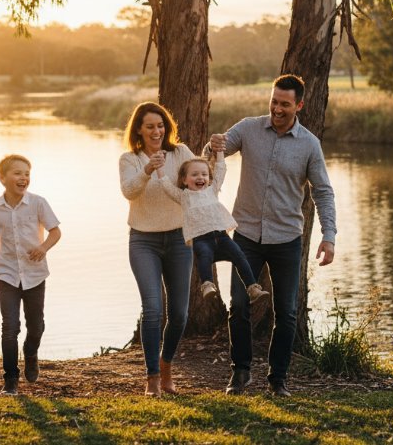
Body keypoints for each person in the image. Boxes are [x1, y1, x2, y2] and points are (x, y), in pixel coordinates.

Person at [208, 74, 337, 397]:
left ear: (299, 105)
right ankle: (240, 372)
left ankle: (278, 379)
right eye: (274, 101)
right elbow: (216, 153)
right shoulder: (249, 129)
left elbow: (323, 192)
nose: (277, 109)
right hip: (247, 236)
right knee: (239, 305)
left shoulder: (309, 144)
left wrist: (329, 234)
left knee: (287, 312)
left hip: (286, 240)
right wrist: (213, 147)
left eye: (285, 104)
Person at [0, 154, 62, 396]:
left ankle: (31, 354)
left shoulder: (38, 203)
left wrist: (43, 248)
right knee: (9, 327)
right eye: (18, 173)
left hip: (35, 274)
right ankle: (10, 380)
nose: (24, 178)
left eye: (27, 174)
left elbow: (55, 232)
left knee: (36, 326)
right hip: (7, 272)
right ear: (3, 178)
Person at [119, 101, 195, 396]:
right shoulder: (130, 159)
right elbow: (129, 191)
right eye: (149, 126)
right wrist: (148, 170)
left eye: (161, 125)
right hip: (143, 241)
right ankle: (152, 378)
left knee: (179, 314)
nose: (156, 131)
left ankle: (166, 367)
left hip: (179, 239)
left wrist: (214, 158)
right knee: (152, 309)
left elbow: (200, 182)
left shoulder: (181, 153)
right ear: (139, 129)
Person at [156, 154, 270, 304]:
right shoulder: (184, 196)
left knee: (239, 256)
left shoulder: (212, 190)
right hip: (201, 238)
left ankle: (252, 288)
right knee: (204, 255)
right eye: (194, 174)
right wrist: (158, 168)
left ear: (209, 179)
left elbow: (221, 170)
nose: (200, 177)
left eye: (204, 174)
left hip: (222, 236)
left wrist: (220, 153)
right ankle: (208, 285)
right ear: (184, 180)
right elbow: (166, 187)